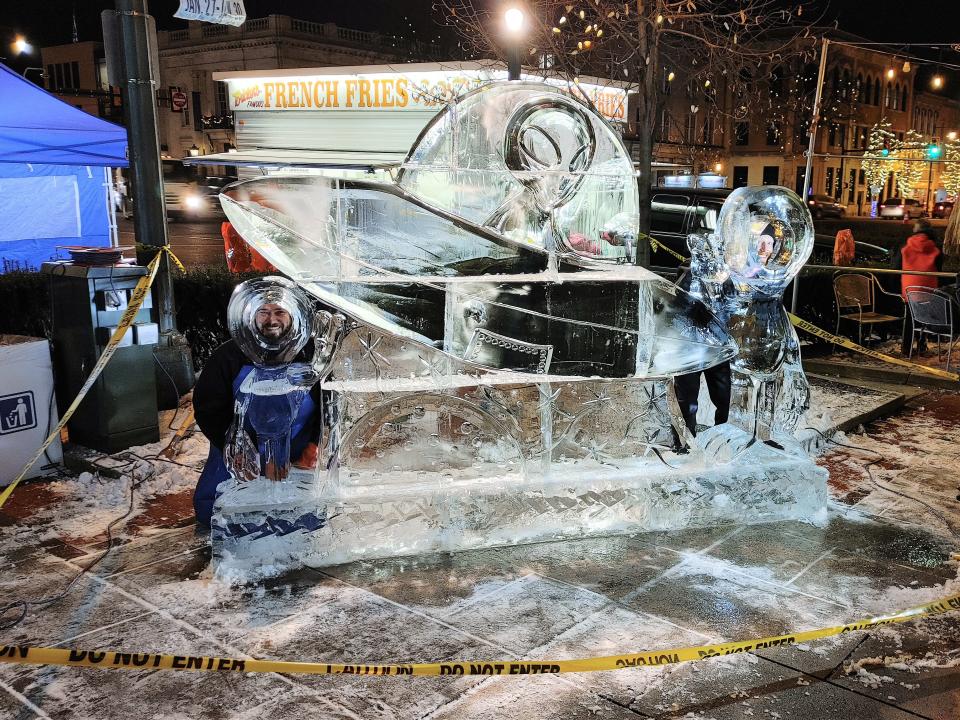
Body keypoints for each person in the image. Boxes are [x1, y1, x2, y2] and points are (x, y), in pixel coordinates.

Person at [192, 292, 324, 526]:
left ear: (293, 315)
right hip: (236, 455)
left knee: (300, 518)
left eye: (279, 312)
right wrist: (237, 449)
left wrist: (315, 443)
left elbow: (328, 404)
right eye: (263, 312)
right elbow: (208, 408)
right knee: (223, 517)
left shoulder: (311, 354)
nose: (271, 320)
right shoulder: (227, 356)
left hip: (297, 454)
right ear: (251, 315)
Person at [893, 219, 943, 355]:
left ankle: (906, 348)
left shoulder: (905, 246)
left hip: (910, 289)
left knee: (909, 319)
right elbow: (939, 268)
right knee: (925, 317)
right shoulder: (935, 247)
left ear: (916, 230)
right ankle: (922, 344)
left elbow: (896, 267)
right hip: (928, 290)